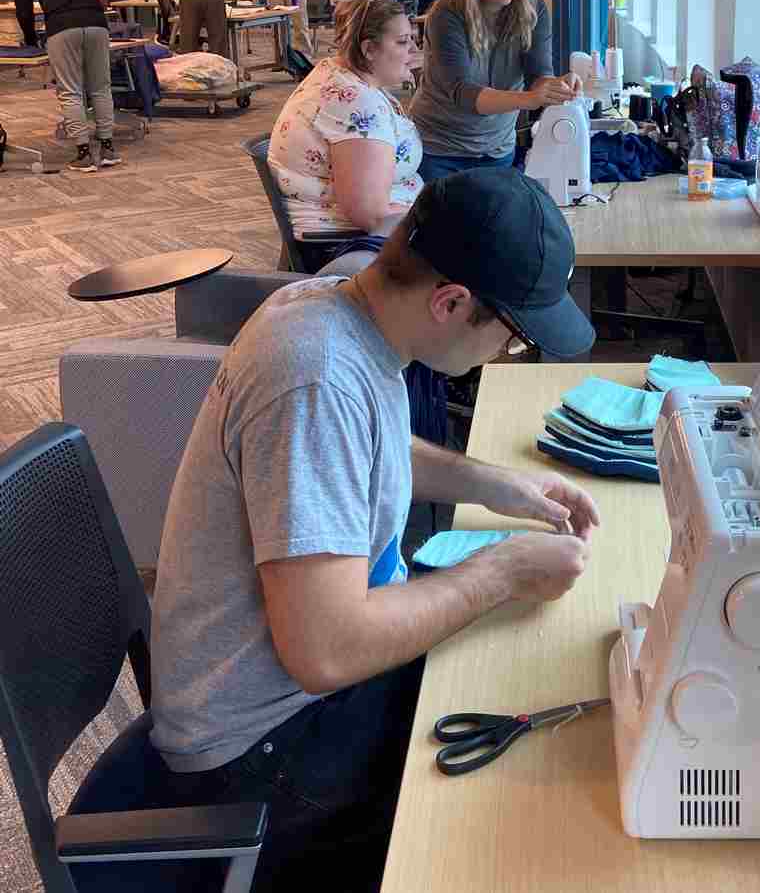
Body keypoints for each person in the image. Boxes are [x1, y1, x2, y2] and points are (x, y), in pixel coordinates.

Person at [149, 167, 598, 892]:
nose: (504, 354)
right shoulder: (316, 377)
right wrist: (502, 570)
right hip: (260, 752)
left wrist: (494, 483)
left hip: (294, 698)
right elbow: (325, 651)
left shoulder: (339, 305)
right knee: (516, 814)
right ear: (451, 302)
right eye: (512, 338)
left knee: (523, 683)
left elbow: (365, 446)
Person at [408, 0, 581, 182]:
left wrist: (555, 87)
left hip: (497, 149)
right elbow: (463, 93)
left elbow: (538, 75)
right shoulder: (446, 14)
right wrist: (531, 99)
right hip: (438, 150)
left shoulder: (534, 8)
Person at [267, 0, 421, 272]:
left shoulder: (339, 74)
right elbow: (371, 215)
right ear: (369, 49)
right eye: (402, 41)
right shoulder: (356, 103)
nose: (413, 49)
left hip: (354, 236)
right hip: (344, 247)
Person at [14, 0, 121, 173]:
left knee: (70, 91)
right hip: (97, 24)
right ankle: (108, 149)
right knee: (101, 87)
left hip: (61, 27)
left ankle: (84, 154)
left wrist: (31, 40)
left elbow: (23, 9)